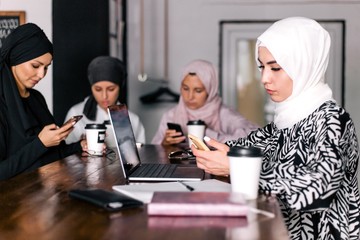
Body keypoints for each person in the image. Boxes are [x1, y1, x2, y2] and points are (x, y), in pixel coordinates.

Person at [192, 17, 360, 239]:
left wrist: (236, 167)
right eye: (262, 67)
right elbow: (244, 147)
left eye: (276, 68)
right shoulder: (284, 122)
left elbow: (320, 187)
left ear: (304, 65)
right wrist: (209, 149)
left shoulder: (331, 120)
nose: (264, 78)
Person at [0, 23, 87, 180]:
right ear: (15, 59)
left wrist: (79, 146)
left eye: (46, 67)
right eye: (35, 66)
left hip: (44, 191)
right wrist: (40, 143)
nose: (41, 74)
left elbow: (51, 154)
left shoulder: (36, 99)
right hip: (13, 200)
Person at [151, 59, 259, 146]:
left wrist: (207, 134)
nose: (190, 96)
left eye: (198, 91)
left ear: (210, 90)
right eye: (185, 88)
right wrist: (164, 143)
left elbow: (253, 137)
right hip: (179, 171)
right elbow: (153, 150)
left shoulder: (223, 114)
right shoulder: (171, 116)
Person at [65, 56, 145, 145]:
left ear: (120, 87)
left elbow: (139, 154)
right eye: (98, 89)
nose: (104, 96)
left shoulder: (133, 120)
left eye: (111, 89)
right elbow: (65, 153)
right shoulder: (76, 114)